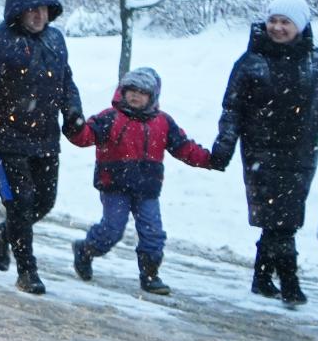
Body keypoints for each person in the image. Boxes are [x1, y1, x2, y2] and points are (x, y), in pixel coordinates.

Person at [212, 0, 318, 308]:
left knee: (281, 215)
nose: (276, 27)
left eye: (285, 22)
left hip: (301, 153)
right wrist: (224, 146)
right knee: (281, 218)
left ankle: (262, 278)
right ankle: (289, 281)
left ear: (300, 25)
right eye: (272, 20)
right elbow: (232, 109)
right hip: (260, 152)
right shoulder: (250, 62)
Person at [0, 0, 84, 296]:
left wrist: (73, 112)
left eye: (43, 8)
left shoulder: (55, 40)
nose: (38, 15)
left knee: (44, 201)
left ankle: (3, 233)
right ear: (17, 11)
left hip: (46, 139)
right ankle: (27, 270)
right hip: (6, 141)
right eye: (31, 9)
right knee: (20, 205)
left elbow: (66, 82)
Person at [66, 68, 218, 295]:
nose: (135, 95)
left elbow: (184, 147)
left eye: (142, 92)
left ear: (152, 96)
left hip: (147, 189)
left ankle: (150, 274)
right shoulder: (110, 117)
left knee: (153, 232)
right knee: (112, 229)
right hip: (114, 186)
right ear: (122, 91)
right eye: (131, 90)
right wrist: (75, 126)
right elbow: (85, 136)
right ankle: (86, 250)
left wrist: (209, 160)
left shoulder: (163, 122)